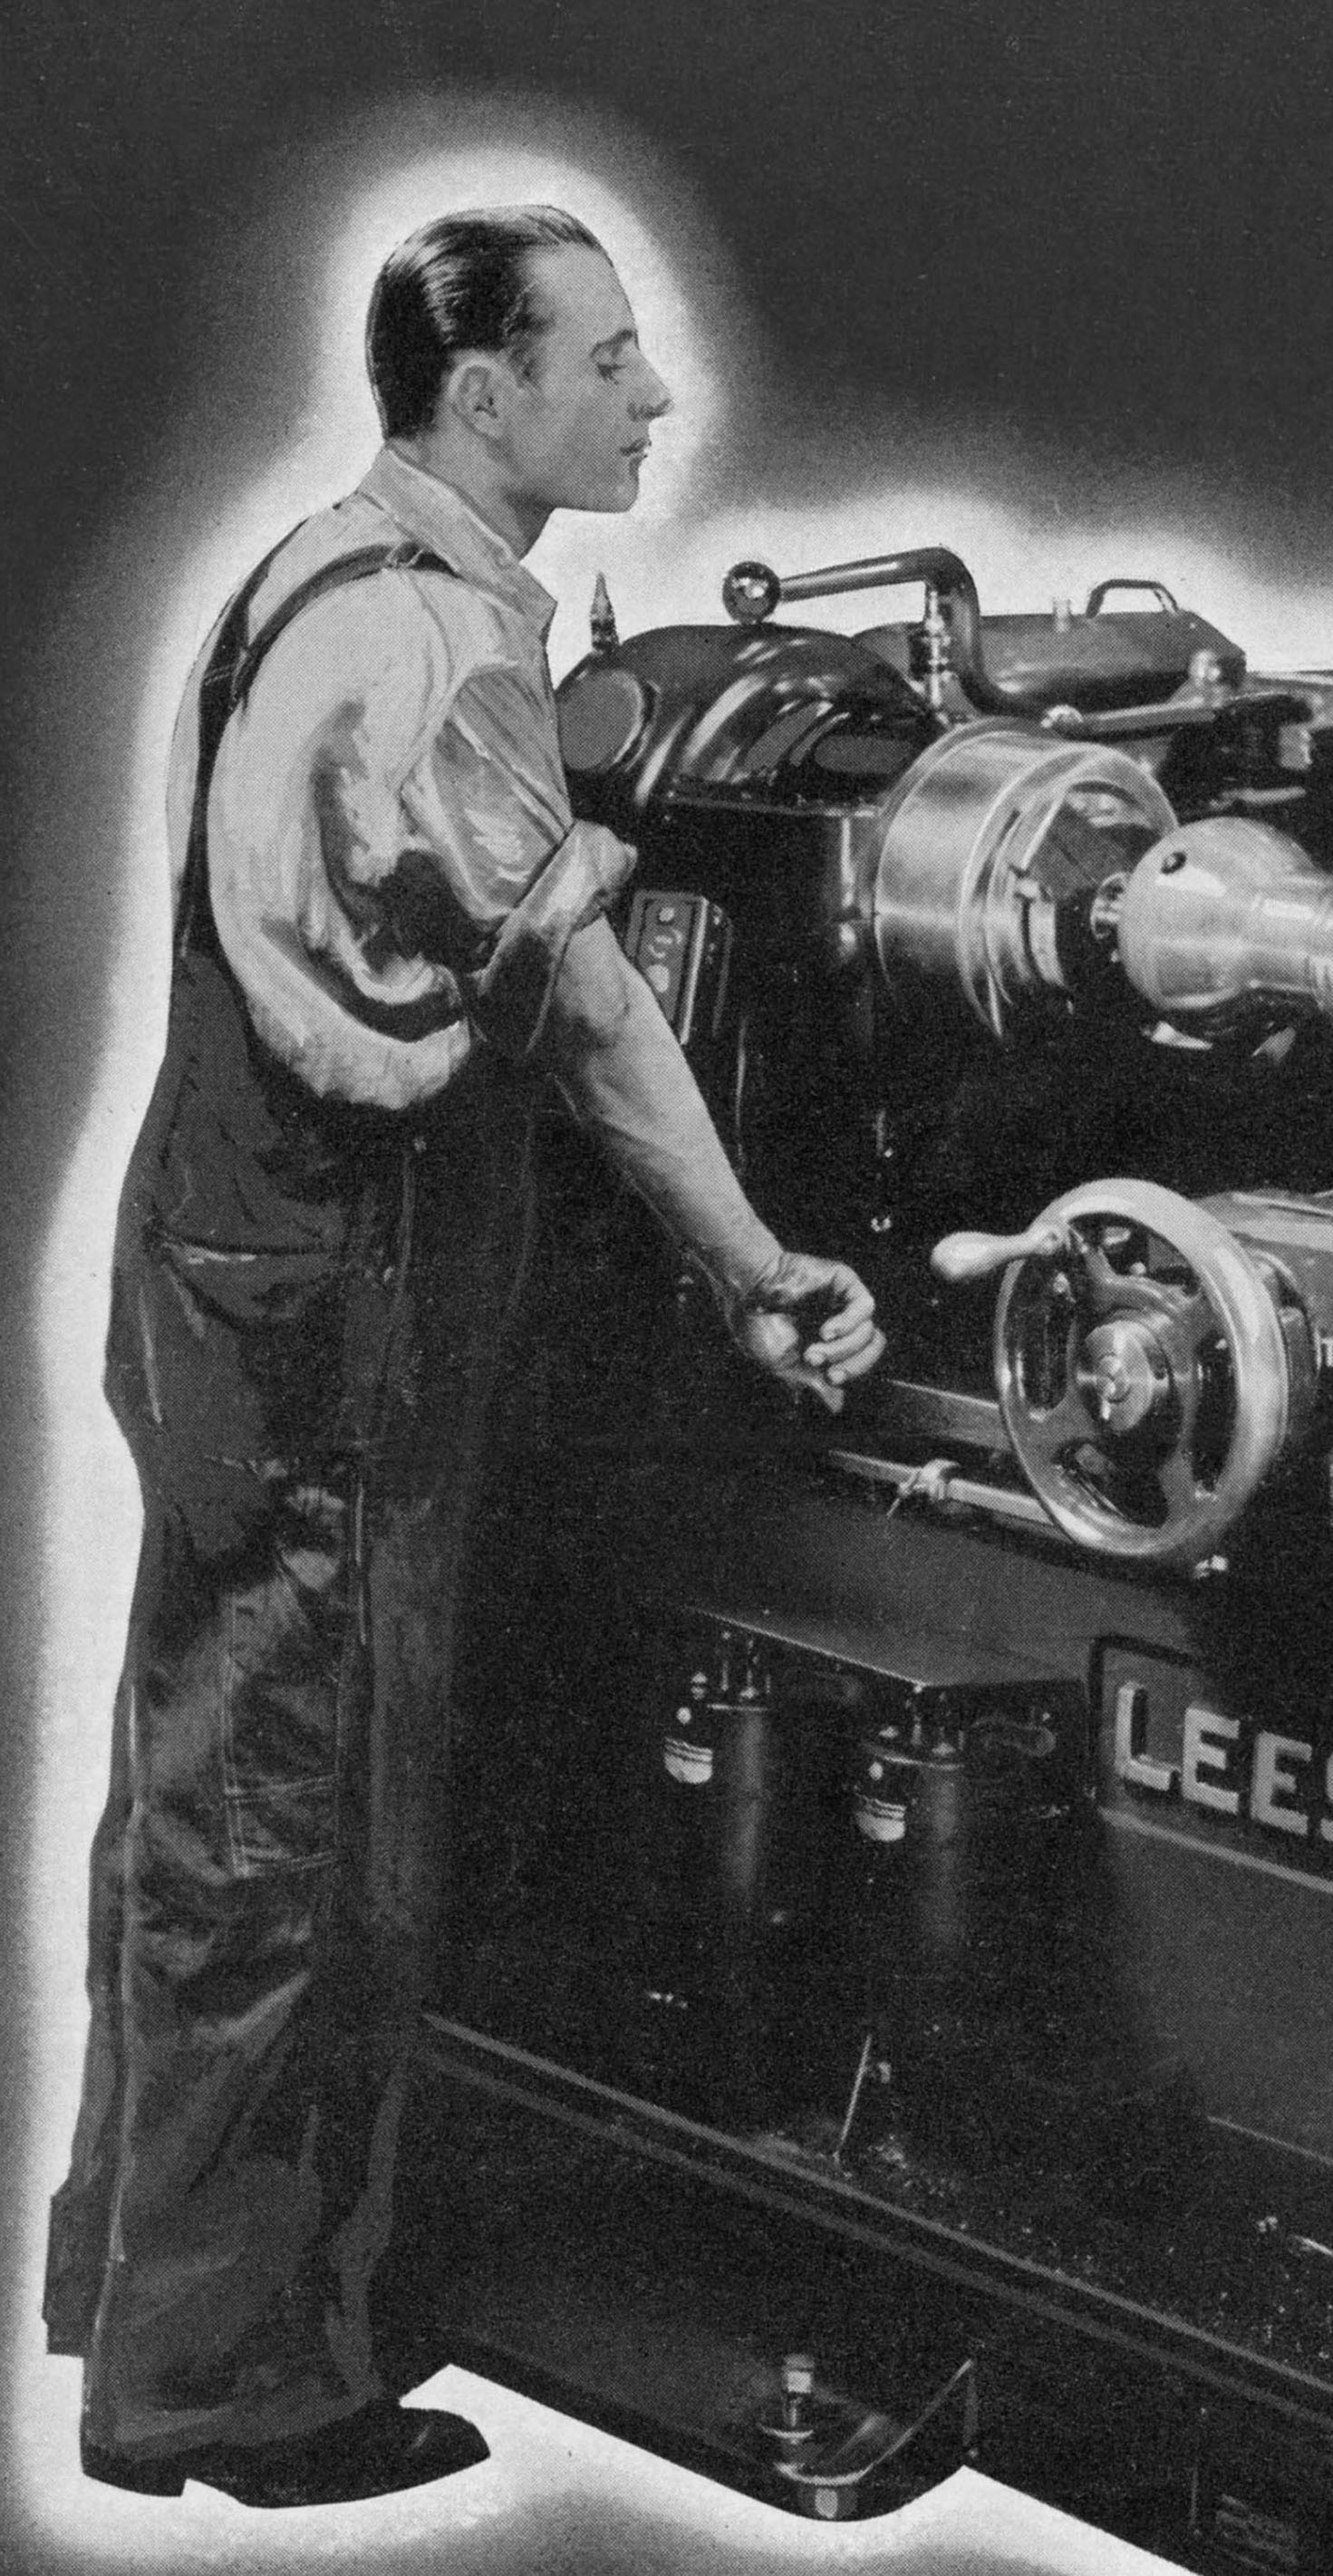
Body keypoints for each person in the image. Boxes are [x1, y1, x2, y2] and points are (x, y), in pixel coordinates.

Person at [44, 204, 884, 2509]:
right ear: (482, 394)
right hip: (339, 1305)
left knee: (206, 1796)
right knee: (297, 1845)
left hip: (228, 1275)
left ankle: (145, 2296)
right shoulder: (431, 648)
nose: (654, 394)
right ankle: (233, 2391)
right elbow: (589, 1013)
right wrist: (755, 1264)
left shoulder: (300, 574)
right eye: (607, 361)